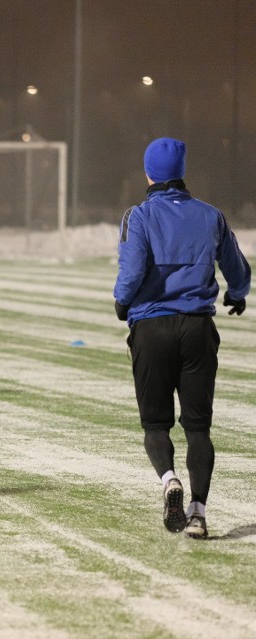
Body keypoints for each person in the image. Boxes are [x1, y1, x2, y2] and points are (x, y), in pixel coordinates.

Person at [113, 136, 251, 540]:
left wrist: (122, 303)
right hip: (196, 328)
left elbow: (133, 268)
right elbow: (237, 266)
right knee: (198, 429)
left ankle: (169, 480)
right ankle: (198, 514)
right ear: (182, 171)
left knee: (156, 424)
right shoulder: (211, 215)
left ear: (148, 172)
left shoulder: (138, 216)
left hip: (152, 328)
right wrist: (237, 294)